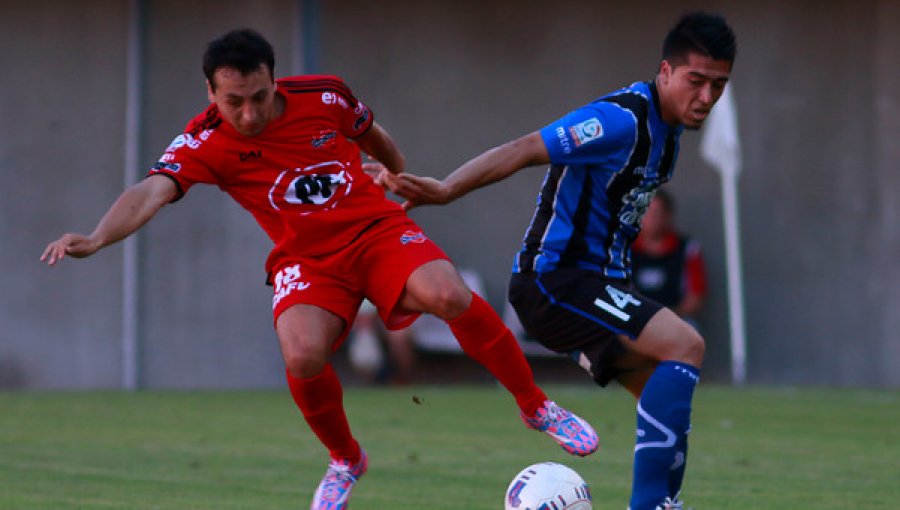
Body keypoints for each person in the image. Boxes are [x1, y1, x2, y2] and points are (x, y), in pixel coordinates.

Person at [40, 29, 598, 510]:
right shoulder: (204, 140)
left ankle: (536, 406)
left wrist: (397, 176)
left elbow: (371, 133)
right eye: (235, 101)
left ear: (275, 81)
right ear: (210, 91)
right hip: (307, 259)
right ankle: (346, 460)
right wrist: (96, 237)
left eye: (260, 97)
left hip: (375, 231)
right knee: (302, 354)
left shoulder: (324, 95)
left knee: (447, 293)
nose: (250, 113)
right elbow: (149, 192)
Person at [377, 12, 736, 510]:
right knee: (685, 343)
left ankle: (662, 501)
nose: (706, 97)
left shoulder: (669, 134)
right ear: (666, 71)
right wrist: (445, 189)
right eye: (696, 81)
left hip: (595, 285)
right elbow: (526, 148)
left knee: (665, 396)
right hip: (555, 282)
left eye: (718, 85)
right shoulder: (621, 119)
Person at [631, 189, 708, 329]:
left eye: (656, 213)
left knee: (690, 331)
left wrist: (665, 318)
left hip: (674, 318)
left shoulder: (687, 249)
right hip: (632, 319)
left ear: (667, 216)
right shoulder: (624, 249)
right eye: (645, 212)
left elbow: (695, 298)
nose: (650, 219)